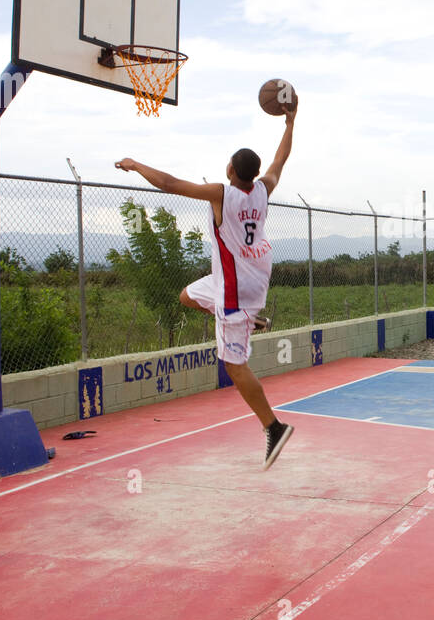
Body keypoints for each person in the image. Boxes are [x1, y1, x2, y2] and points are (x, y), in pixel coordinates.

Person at [115, 106, 297, 469]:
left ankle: (274, 427)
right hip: (240, 278)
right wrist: (291, 122)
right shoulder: (264, 189)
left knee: (234, 365)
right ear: (255, 174)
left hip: (235, 292)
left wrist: (135, 165)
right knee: (186, 296)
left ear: (230, 170)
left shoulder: (221, 194)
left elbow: (168, 184)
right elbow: (281, 158)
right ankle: (253, 323)